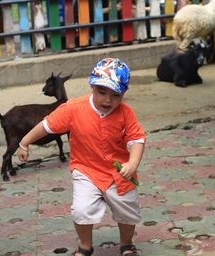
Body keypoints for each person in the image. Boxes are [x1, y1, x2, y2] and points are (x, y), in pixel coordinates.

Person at [17, 58, 146, 256]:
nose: (108, 100)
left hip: (120, 172)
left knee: (128, 209)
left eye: (115, 95)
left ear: (124, 93)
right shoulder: (73, 108)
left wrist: (133, 162)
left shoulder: (126, 113)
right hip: (86, 170)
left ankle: (127, 244)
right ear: (92, 86)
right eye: (102, 92)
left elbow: (137, 139)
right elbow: (47, 125)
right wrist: (24, 143)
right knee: (81, 209)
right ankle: (85, 246)